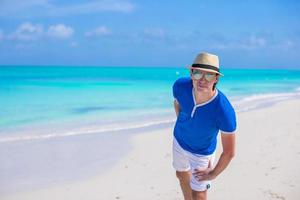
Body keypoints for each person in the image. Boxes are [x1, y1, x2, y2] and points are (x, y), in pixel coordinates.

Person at [172, 52, 237, 200]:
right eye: (197, 73)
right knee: (181, 175)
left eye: (208, 75)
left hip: (201, 152)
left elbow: (229, 152)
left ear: (216, 78)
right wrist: (185, 124)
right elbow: (177, 104)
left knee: (199, 194)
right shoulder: (180, 86)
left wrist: (213, 173)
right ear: (191, 73)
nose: (202, 80)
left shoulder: (223, 110)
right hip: (179, 141)